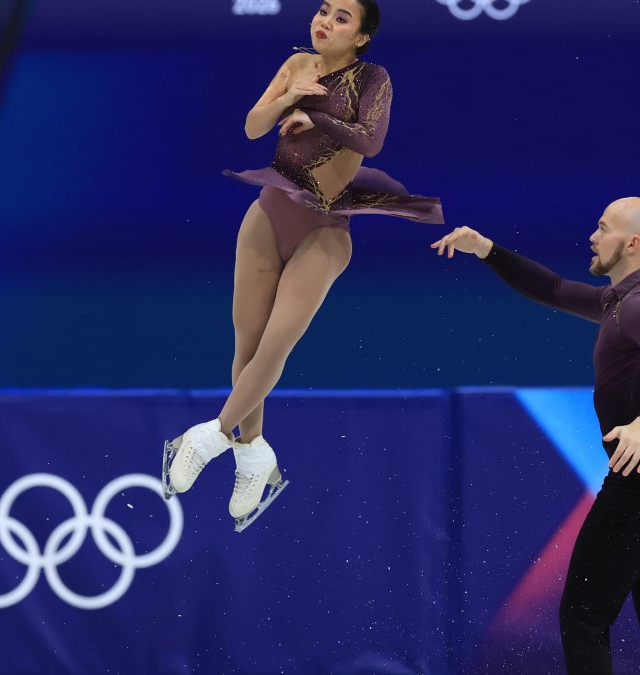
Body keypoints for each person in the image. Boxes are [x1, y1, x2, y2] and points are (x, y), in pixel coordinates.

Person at [162, 0, 444, 532]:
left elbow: (370, 139)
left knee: (275, 344)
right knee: (246, 345)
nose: (325, 21)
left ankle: (210, 436)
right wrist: (289, 95)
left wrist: (313, 113)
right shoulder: (295, 65)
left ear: (361, 37)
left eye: (342, 18)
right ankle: (255, 456)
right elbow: (252, 127)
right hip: (267, 214)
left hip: (324, 229)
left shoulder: (372, 77)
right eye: (323, 10)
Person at [431, 198, 640, 674]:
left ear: (632, 242)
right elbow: (555, 289)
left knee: (583, 614)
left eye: (603, 228)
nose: (592, 236)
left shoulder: (639, 306)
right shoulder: (622, 300)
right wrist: (487, 250)